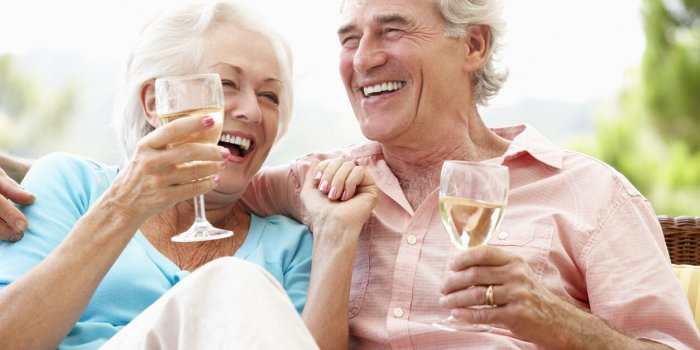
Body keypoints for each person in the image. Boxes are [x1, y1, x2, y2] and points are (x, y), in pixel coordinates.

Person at [1, 0, 698, 349]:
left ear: (473, 44)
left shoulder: (589, 194)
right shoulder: (318, 186)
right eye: (349, 39)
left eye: (391, 30)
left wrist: (558, 323)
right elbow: (167, 177)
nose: (364, 58)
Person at [0, 1, 376, 349]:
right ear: (155, 102)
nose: (252, 111)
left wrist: (335, 234)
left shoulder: (290, 247)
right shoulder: (72, 186)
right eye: (226, 84)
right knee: (235, 281)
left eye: (270, 96)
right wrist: (124, 207)